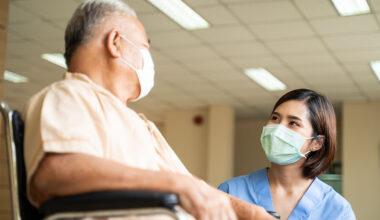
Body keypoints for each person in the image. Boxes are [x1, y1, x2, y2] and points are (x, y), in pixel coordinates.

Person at [23, 0, 273, 219]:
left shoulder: (139, 124)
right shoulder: (69, 95)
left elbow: (194, 188)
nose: (148, 59)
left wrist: (252, 213)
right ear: (116, 43)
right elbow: (55, 173)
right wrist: (176, 185)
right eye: (145, 47)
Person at [218, 89, 355, 220]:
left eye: (293, 123)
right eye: (275, 118)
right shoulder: (231, 191)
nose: (277, 129)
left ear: (317, 143)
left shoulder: (336, 209)